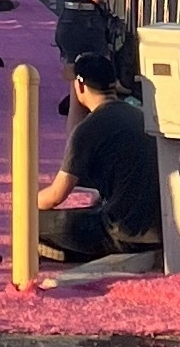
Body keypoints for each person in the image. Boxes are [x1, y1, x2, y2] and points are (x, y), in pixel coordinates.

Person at [36, 56, 163, 266]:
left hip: (120, 233)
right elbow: (75, 137)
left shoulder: (90, 129)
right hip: (158, 231)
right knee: (97, 206)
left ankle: (75, 252)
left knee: (29, 222)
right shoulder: (137, 115)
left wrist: (25, 206)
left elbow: (56, 195)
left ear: (80, 85)